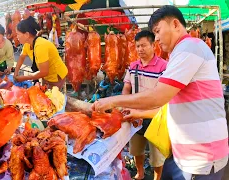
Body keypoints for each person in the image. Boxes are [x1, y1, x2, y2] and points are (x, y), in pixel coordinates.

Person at [92, 5, 228, 180]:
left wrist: (112, 101)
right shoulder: (179, 53)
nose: (156, 38)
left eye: (157, 31)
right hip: (185, 154)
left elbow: (158, 96)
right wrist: (138, 112)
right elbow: (170, 108)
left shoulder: (189, 48)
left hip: (201, 157)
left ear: (175, 24)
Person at [122, 30, 167, 180]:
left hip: (156, 116)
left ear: (153, 45)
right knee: (136, 150)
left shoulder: (164, 67)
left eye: (144, 45)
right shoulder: (133, 66)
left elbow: (164, 94)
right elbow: (127, 87)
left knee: (157, 155)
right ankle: (140, 173)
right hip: (135, 117)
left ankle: (157, 177)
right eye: (137, 46)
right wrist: (124, 103)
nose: (140, 49)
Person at [13, 16, 68, 90]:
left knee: (52, 97)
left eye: (18, 34)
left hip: (56, 75)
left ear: (26, 35)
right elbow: (21, 57)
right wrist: (15, 73)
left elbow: (44, 72)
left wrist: (25, 77)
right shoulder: (27, 44)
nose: (17, 37)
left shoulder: (40, 45)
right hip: (46, 75)